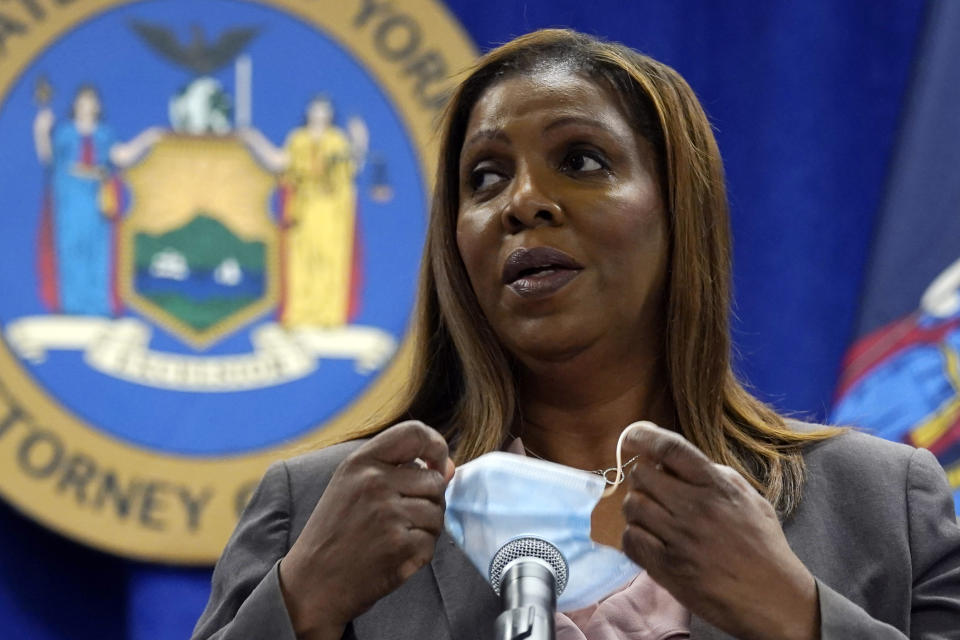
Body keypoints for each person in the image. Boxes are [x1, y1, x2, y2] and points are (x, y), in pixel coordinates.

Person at [192, 29, 960, 640]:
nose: (523, 202)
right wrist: (301, 603)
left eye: (581, 160)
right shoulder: (321, 509)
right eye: (484, 177)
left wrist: (796, 615)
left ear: (678, 212)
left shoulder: (880, 502)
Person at [33, 85, 162, 315]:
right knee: (71, 249)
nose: (87, 106)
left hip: (97, 199)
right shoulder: (64, 132)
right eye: (82, 102)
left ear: (97, 106)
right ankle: (72, 306)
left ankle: (97, 306)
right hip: (69, 199)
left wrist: (147, 139)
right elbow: (48, 157)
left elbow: (120, 156)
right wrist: (41, 131)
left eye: (91, 101)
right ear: (76, 105)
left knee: (98, 251)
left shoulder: (104, 134)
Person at [240, 96, 367, 328]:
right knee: (301, 259)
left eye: (323, 111)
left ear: (329, 114)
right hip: (303, 210)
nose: (319, 115)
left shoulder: (336, 141)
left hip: (330, 212)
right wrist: (253, 140)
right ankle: (300, 314)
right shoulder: (297, 140)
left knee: (329, 258)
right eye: (315, 110)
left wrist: (360, 139)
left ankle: (328, 315)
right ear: (308, 113)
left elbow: (352, 163)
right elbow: (279, 162)